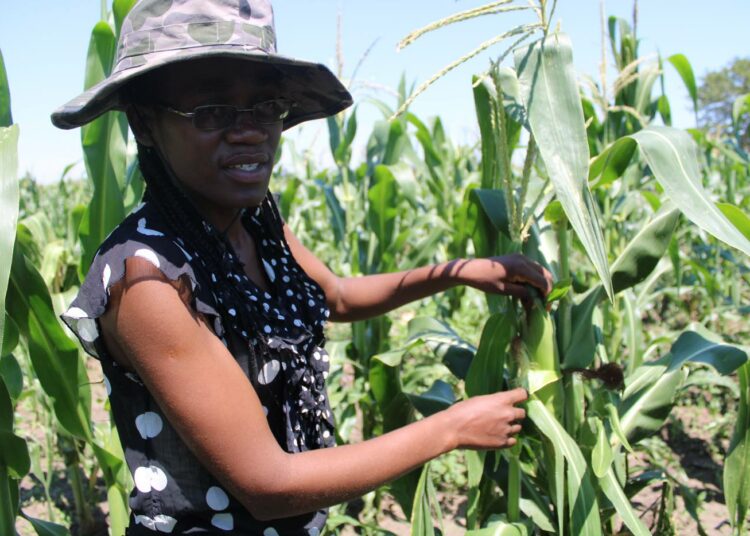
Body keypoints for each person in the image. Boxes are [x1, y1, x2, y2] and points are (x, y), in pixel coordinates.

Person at [52, 0, 553, 534]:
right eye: (212, 112)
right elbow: (268, 485)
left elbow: (334, 296)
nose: (250, 131)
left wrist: (459, 271)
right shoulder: (146, 282)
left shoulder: (252, 221)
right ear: (146, 125)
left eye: (266, 107)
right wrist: (450, 428)